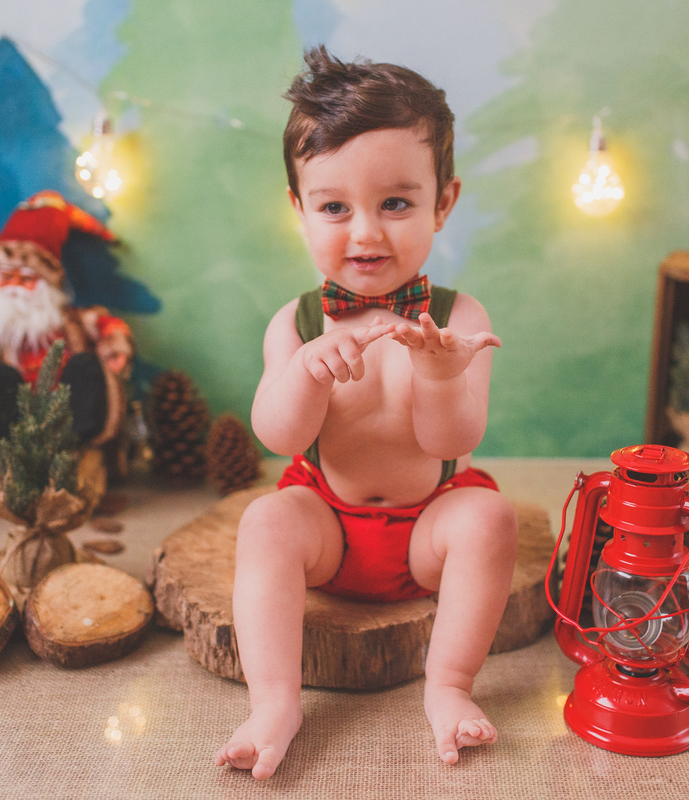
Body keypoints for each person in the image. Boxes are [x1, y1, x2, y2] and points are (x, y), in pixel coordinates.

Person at [215, 47, 517, 781]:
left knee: (489, 519)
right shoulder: (297, 322)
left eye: (396, 204)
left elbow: (453, 440)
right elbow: (278, 436)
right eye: (334, 208)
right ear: (299, 208)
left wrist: (439, 374)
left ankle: (448, 685)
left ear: (443, 202)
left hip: (427, 529)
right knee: (265, 521)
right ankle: (274, 702)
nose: (366, 233)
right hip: (329, 524)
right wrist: (305, 375)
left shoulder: (458, 319)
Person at [0, 191, 133, 456]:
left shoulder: (65, 320)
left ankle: (75, 445)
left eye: (26, 279)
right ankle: (7, 451)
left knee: (86, 368)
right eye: (7, 277)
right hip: (15, 415)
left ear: (46, 285)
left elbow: (105, 324)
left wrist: (115, 347)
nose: (15, 287)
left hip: (67, 412)